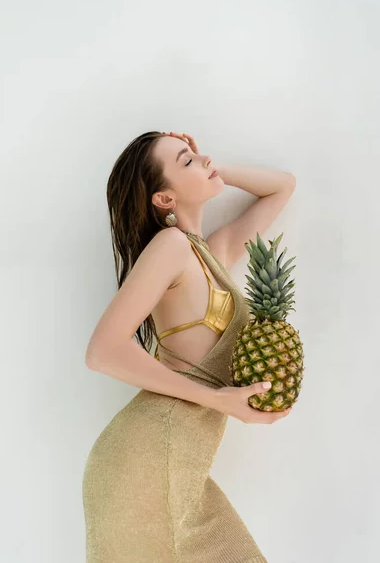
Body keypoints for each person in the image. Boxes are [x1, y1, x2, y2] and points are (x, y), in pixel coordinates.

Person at [82, 130, 293, 562]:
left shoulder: (211, 252)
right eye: (186, 161)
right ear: (164, 199)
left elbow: (282, 186)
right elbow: (102, 352)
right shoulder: (171, 245)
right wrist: (218, 399)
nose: (203, 159)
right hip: (147, 457)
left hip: (178, 464)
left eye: (195, 155)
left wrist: (212, 169)